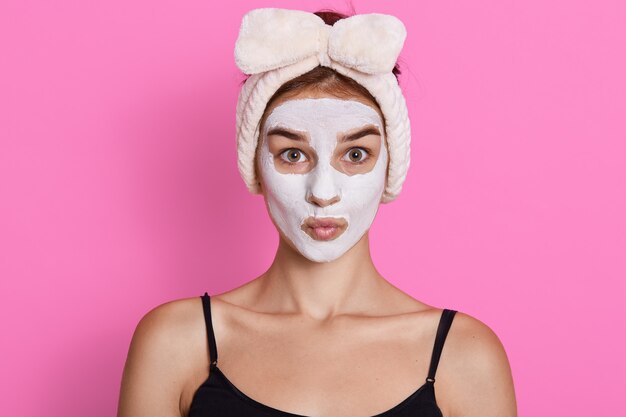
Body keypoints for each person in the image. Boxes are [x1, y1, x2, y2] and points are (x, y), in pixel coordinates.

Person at [117, 8, 517, 417]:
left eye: (356, 154)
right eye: (292, 155)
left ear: (390, 166)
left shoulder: (464, 357)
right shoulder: (176, 343)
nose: (323, 193)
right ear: (254, 163)